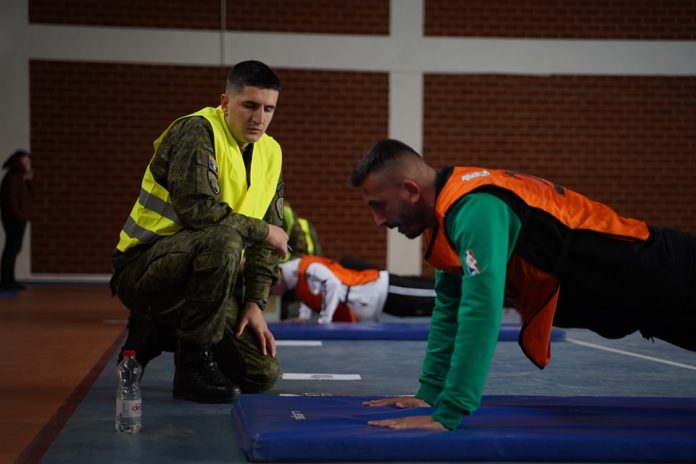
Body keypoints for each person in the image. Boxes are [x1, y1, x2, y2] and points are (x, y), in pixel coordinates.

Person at [351, 138, 696, 432]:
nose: (378, 220)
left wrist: (450, 411)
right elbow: (449, 308)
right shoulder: (447, 217)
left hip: (669, 271)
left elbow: (481, 308)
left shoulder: (475, 207)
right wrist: (429, 392)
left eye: (379, 206)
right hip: (648, 305)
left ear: (410, 190)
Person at [110, 60, 289, 404]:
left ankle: (156, 330)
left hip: (205, 271)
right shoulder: (196, 131)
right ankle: (191, 366)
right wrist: (264, 230)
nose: (259, 118)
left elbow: (266, 243)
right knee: (223, 239)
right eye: (250, 105)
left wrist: (254, 302)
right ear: (225, 102)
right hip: (143, 268)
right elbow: (199, 211)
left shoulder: (271, 152)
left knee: (261, 374)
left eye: (268, 109)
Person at [274, 255, 435, 323]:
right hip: (378, 305)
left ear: (276, 278)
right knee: (426, 309)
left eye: (270, 290)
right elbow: (309, 295)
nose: (271, 295)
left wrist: (324, 321)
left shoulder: (307, 268)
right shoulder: (297, 282)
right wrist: (303, 317)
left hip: (379, 289)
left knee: (435, 296)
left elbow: (332, 284)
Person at [1, 150, 32, 291]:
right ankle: (6, 281)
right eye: (25, 161)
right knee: (11, 249)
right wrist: (18, 215)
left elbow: (28, 195)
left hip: (19, 218)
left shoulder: (20, 177)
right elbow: (11, 199)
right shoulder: (12, 177)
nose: (28, 164)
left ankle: (10, 279)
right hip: (14, 219)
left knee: (14, 249)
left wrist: (29, 180)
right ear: (18, 161)